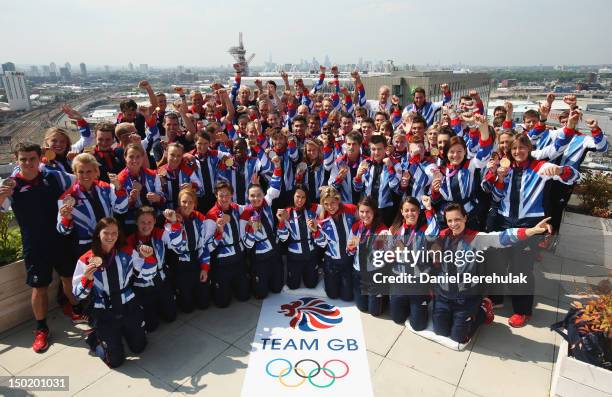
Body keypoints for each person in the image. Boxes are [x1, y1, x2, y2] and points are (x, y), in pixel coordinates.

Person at [487, 134, 579, 327]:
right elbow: (496, 197)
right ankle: (496, 298)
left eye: (521, 148)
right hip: (503, 223)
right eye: (514, 149)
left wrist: (561, 170)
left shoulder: (541, 167)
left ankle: (522, 310)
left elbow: (574, 177)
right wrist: (500, 178)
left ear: (529, 148)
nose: (517, 152)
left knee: (522, 268)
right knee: (498, 262)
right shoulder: (506, 169)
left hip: (529, 225)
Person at [430, 203, 551, 343]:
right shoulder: (442, 236)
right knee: (440, 331)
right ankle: (457, 316)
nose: (453, 224)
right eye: (449, 220)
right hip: (444, 295)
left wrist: (531, 231)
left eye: (457, 219)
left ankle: (482, 309)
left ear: (465, 217)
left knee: (459, 338)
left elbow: (502, 238)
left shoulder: (475, 238)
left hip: (465, 297)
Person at [0, 142, 75, 352]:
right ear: (17, 160)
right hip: (35, 245)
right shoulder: (11, 186)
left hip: (60, 238)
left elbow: (78, 180)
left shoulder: (52, 176)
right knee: (39, 287)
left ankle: (76, 309)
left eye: (32, 158)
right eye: (23, 159)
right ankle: (41, 328)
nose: (28, 163)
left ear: (40, 158)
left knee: (67, 277)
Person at [72, 217, 156, 368]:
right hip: (104, 310)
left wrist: (148, 259)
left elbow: (147, 274)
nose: (110, 237)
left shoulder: (127, 252)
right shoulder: (86, 260)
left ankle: (124, 332)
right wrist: (87, 279)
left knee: (139, 348)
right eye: (106, 233)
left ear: (118, 235)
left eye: (114, 233)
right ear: (98, 233)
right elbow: (78, 295)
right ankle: (95, 337)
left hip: (128, 304)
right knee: (116, 362)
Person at [128, 207, 184, 331]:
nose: (146, 226)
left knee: (171, 317)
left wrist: (174, 222)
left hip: (162, 281)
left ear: (154, 222)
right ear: (136, 222)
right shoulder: (130, 241)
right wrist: (143, 258)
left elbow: (178, 246)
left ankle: (161, 305)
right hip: (143, 287)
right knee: (151, 326)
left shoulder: (159, 233)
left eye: (149, 222)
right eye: (142, 222)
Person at [388, 196, 439, 328]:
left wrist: (428, 208)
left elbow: (433, 234)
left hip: (418, 283)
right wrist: (393, 253)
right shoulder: (395, 229)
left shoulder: (425, 230)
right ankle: (404, 302)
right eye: (407, 210)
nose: (410, 213)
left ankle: (422, 301)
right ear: (402, 212)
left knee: (418, 326)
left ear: (418, 212)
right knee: (397, 319)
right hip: (400, 280)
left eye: (414, 210)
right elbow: (386, 256)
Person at [205, 181, 251, 307]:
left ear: (232, 195)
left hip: (239, 260)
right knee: (222, 304)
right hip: (222, 264)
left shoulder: (236, 207)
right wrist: (218, 233)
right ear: (216, 196)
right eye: (221, 195)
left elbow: (251, 207)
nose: (224, 199)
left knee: (244, 297)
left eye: (227, 195)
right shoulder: (211, 216)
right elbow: (207, 247)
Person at [242, 161, 283, 299]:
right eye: (252, 196)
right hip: (258, 257)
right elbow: (247, 245)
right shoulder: (245, 213)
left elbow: (275, 187)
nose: (256, 198)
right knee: (261, 294)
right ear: (248, 197)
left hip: (274, 252)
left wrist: (277, 168)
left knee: (277, 289)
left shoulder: (266, 202)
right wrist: (252, 231)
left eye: (258, 195)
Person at [313, 186, 357, 301]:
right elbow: (322, 244)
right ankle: (328, 276)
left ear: (338, 200)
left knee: (347, 297)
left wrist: (358, 238)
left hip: (348, 261)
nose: (330, 207)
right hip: (331, 262)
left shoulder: (351, 209)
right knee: (332, 295)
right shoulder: (322, 219)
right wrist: (315, 231)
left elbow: (362, 225)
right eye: (326, 204)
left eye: (332, 202)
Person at [346, 196, 388, 316]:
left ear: (374, 211)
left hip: (374, 273)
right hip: (358, 271)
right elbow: (349, 251)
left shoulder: (382, 229)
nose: (364, 215)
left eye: (368, 211)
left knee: (375, 312)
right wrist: (350, 248)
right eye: (362, 212)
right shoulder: (356, 226)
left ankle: (383, 296)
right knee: (362, 308)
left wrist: (362, 242)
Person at [173, 187, 212, 312]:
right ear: (179, 202)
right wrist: (176, 224)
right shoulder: (172, 219)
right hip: (180, 263)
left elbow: (204, 245)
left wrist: (205, 269)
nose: (187, 205)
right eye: (184, 202)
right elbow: (175, 246)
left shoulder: (200, 218)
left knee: (204, 304)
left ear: (195, 204)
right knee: (187, 308)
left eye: (191, 202)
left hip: (196, 261)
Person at [277, 185, 323, 290]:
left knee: (311, 285)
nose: (300, 200)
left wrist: (317, 224)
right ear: (293, 196)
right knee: (293, 286)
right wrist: (281, 222)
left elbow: (327, 207)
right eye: (298, 196)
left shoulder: (312, 209)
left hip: (310, 254)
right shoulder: (286, 212)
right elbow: (283, 238)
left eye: (303, 197)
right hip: (294, 256)